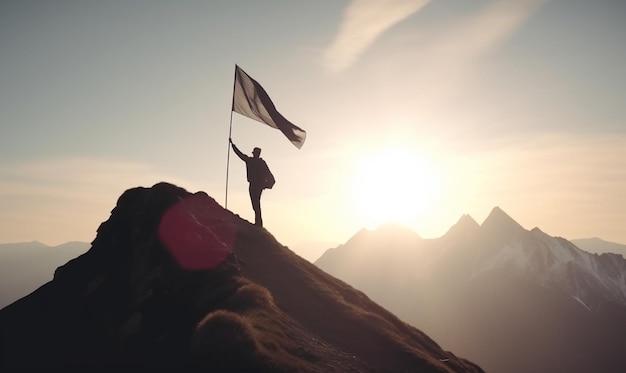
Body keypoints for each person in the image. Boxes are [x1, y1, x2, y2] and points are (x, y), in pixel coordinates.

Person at [229, 138, 275, 227]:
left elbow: (240, 155)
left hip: (255, 186)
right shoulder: (257, 162)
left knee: (256, 204)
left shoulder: (255, 161)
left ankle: (258, 224)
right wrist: (233, 145)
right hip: (255, 185)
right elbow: (240, 155)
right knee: (255, 204)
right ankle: (258, 223)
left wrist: (265, 185)